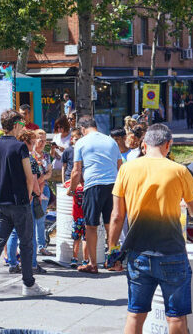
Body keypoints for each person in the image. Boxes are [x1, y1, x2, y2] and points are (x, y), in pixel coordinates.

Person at [108, 124, 193, 334]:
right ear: (168, 144)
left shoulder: (126, 169)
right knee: (176, 317)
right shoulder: (179, 171)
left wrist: (113, 250)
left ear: (144, 144)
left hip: (138, 253)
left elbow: (116, 216)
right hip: (172, 253)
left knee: (135, 314)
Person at [0, 110, 51, 302]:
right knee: (26, 244)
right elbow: (29, 176)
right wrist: (27, 196)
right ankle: (28, 284)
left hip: (1, 201)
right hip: (19, 201)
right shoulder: (20, 147)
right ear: (17, 124)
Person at [68, 116, 122, 274]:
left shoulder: (81, 142)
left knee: (90, 226)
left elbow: (76, 171)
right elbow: (120, 166)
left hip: (93, 186)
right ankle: (115, 262)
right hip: (113, 185)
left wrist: (71, 189)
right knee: (110, 224)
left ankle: (92, 264)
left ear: (83, 129)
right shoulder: (111, 141)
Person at [5, 130, 46, 274]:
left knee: (14, 232)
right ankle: (33, 263)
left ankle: (12, 262)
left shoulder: (12, 157)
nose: (34, 145)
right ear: (26, 142)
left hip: (13, 197)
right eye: (32, 142)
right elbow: (34, 181)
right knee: (31, 233)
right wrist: (38, 194)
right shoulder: (30, 159)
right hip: (28, 198)